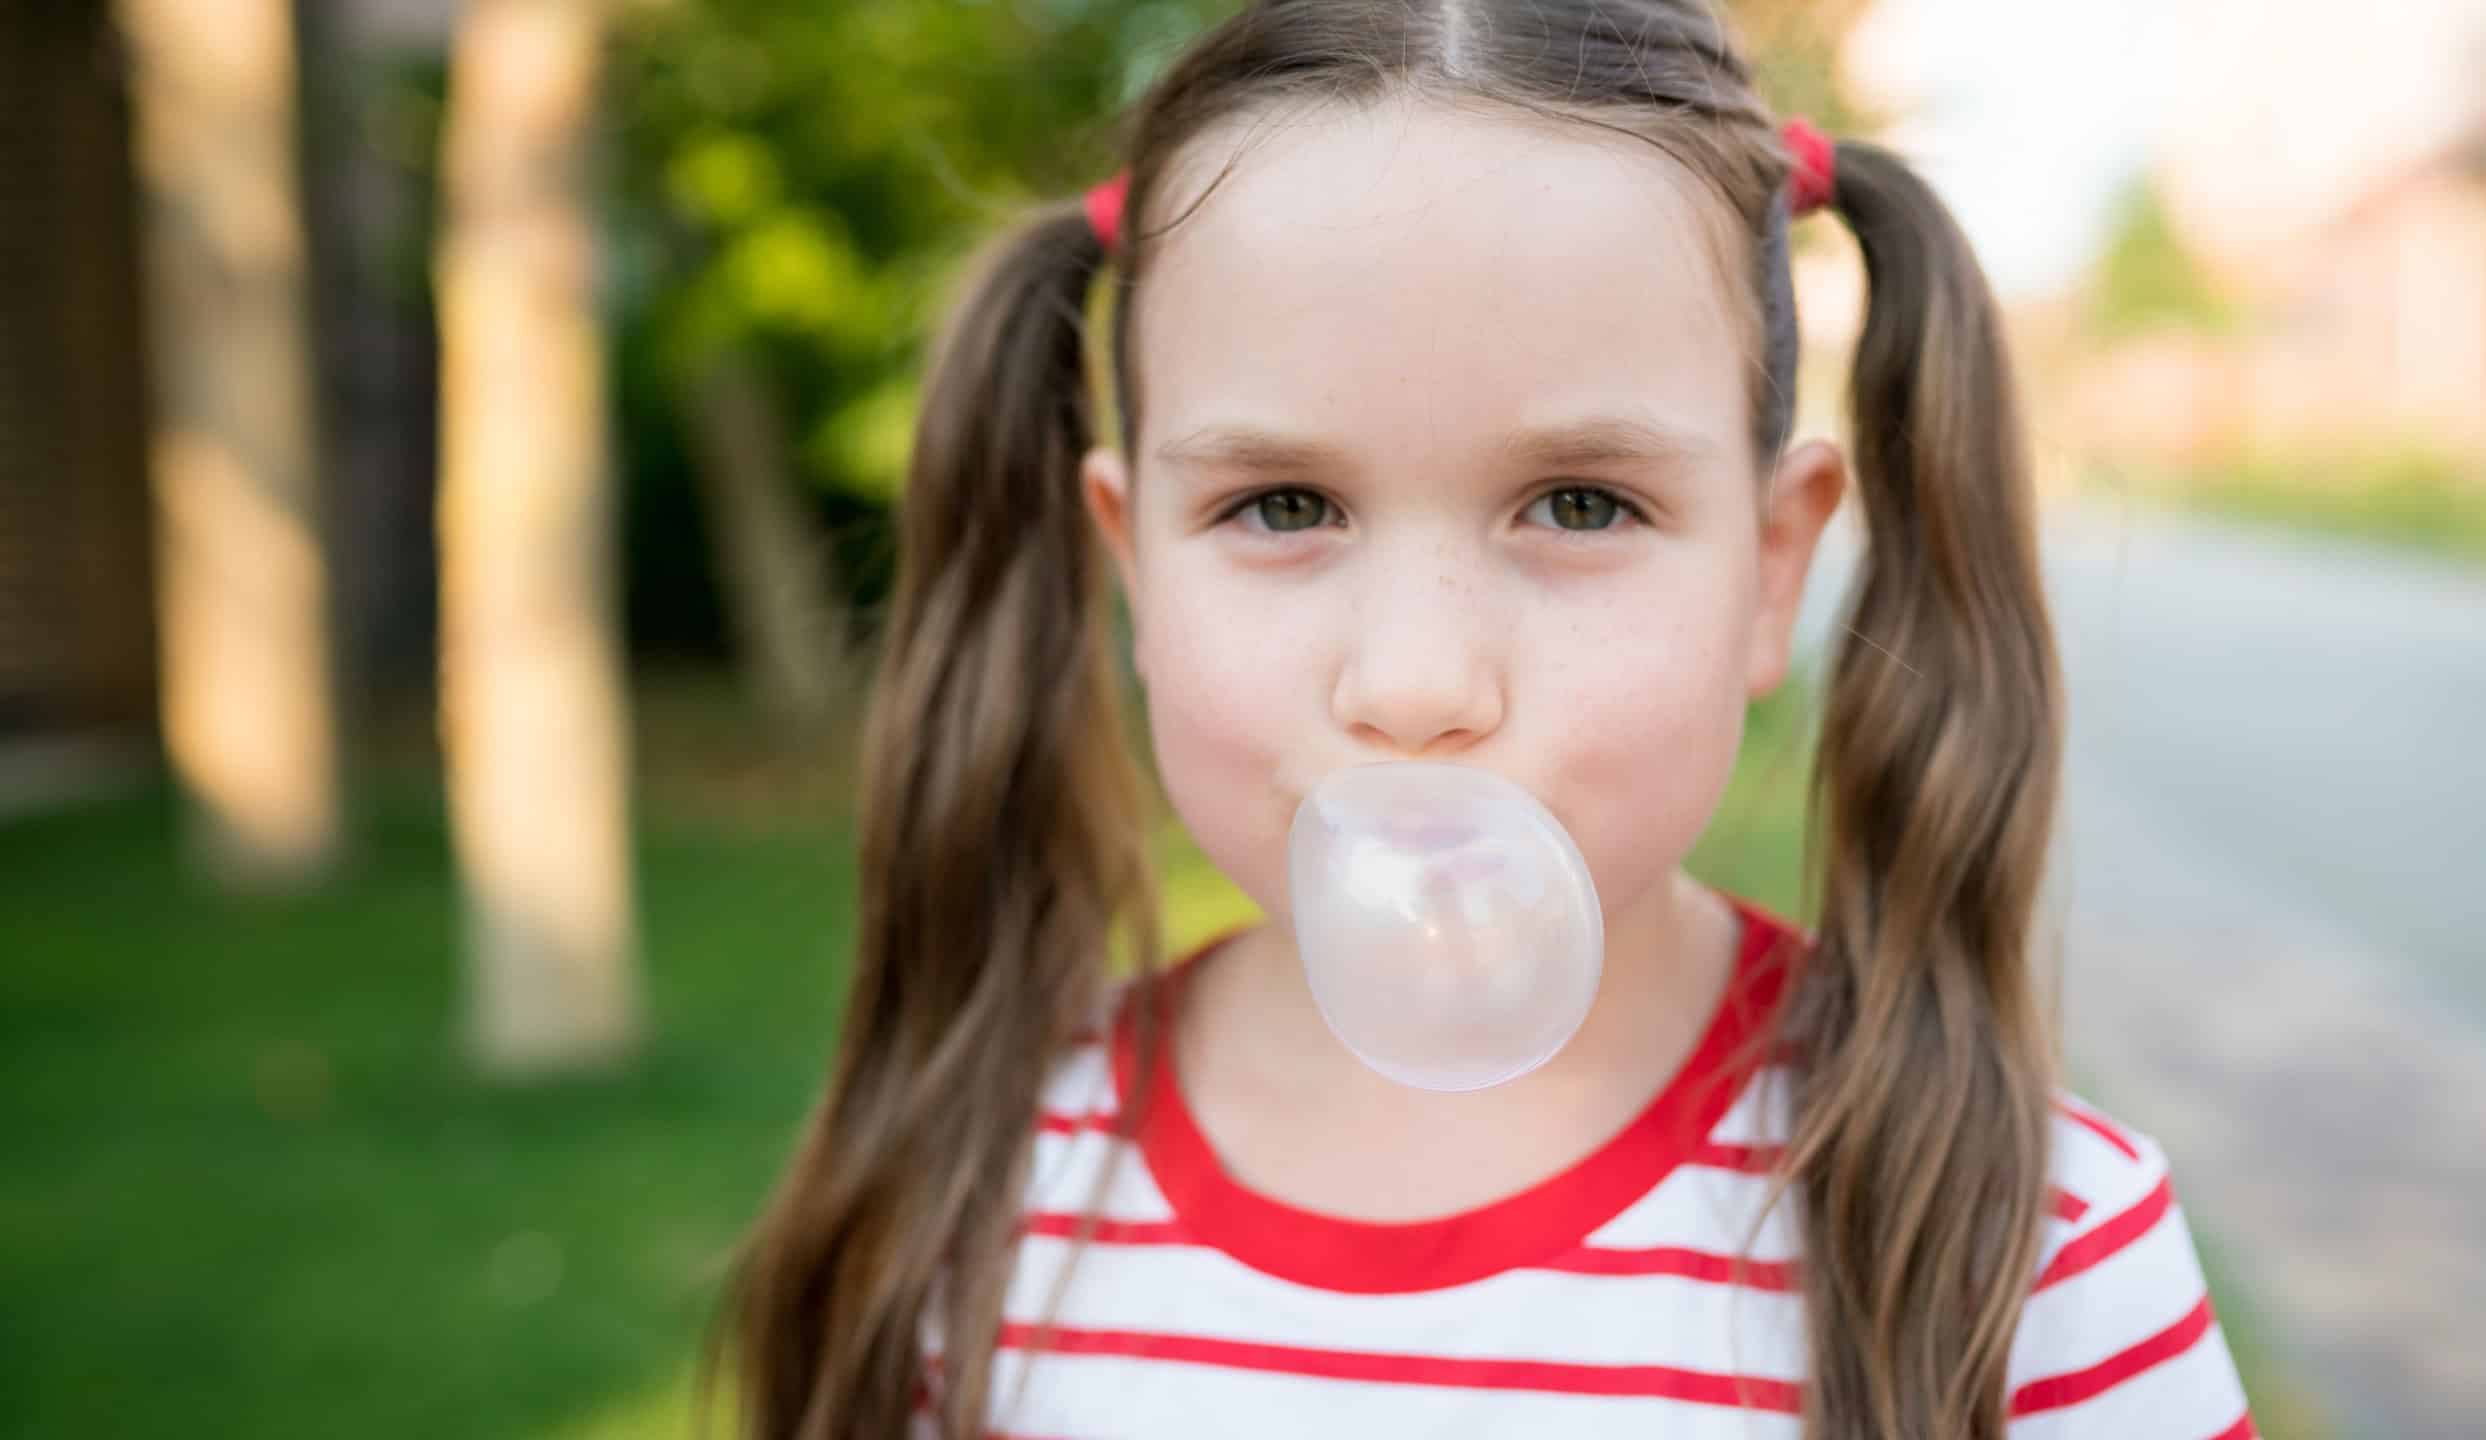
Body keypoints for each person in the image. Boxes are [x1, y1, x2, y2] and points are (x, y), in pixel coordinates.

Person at [713, 3, 2257, 1437]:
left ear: (1772, 567)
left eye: (1581, 504)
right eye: (1281, 505)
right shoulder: (970, 1207)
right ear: (1133, 569)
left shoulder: (2036, 1260)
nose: (1416, 685)